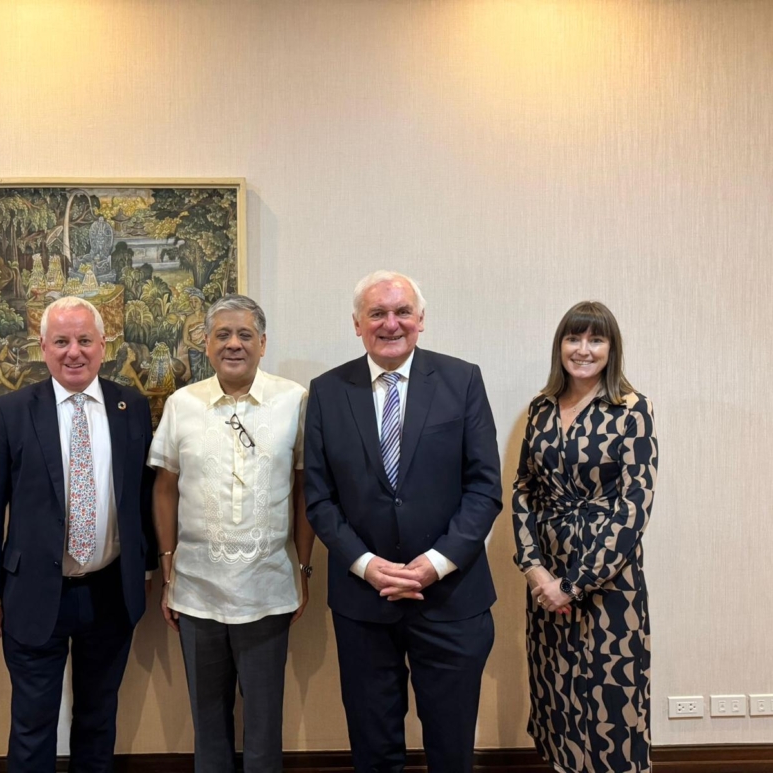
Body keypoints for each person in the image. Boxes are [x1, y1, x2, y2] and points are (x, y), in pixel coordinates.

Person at [304, 270, 502, 773]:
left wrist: (436, 563)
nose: (390, 324)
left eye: (402, 312)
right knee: (373, 749)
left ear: (421, 319)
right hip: (363, 602)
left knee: (451, 749)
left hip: (452, 599)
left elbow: (485, 488)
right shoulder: (327, 391)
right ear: (357, 324)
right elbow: (319, 499)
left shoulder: (462, 380)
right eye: (377, 313)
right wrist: (366, 565)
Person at [0, 296, 156, 773]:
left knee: (98, 718)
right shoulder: (9, 412)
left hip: (110, 591)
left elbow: (142, 493)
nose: (74, 352)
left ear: (103, 344)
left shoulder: (131, 406)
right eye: (62, 341)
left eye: (85, 340)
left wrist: (147, 567)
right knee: (33, 725)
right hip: (33, 592)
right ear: (43, 347)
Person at [149, 294, 314, 773]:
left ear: (263, 343)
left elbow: (305, 489)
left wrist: (303, 568)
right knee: (208, 723)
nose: (233, 344)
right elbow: (165, 487)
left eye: (245, 334)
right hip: (196, 590)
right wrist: (168, 570)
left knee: (264, 725)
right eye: (222, 335)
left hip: (268, 588)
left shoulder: (294, 400)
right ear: (206, 344)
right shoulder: (183, 404)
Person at [512, 301, 657, 773]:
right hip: (546, 579)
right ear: (560, 346)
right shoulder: (540, 409)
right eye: (573, 338)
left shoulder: (632, 409)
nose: (583, 349)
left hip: (609, 583)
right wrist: (535, 570)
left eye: (596, 339)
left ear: (612, 349)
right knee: (557, 694)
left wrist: (571, 585)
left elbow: (634, 507)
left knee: (610, 703)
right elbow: (523, 490)